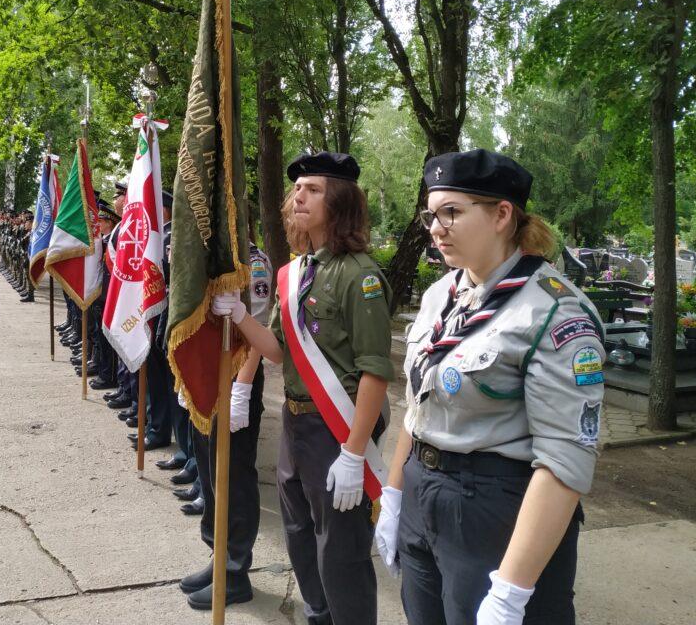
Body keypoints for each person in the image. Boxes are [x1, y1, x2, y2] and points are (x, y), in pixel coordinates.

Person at [374, 149, 606, 625]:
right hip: (424, 490)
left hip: (496, 512)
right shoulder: (443, 294)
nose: (435, 228)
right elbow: (418, 409)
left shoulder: (553, 312)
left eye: (452, 212)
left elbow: (565, 460)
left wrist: (512, 589)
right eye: (431, 215)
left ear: (502, 214)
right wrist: (395, 497)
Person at [212, 151, 394, 625]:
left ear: (341, 202)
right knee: (298, 536)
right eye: (297, 189)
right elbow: (276, 349)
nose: (299, 196)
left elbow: (375, 372)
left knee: (341, 552)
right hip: (297, 424)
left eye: (313, 189)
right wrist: (239, 317)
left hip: (339, 428)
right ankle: (318, 616)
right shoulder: (294, 272)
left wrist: (355, 454)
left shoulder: (361, 275)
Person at [180, 215, 273, 610]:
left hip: (237, 379)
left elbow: (259, 328)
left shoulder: (253, 263)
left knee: (233, 477)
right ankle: (217, 555)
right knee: (210, 471)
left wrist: (242, 388)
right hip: (208, 379)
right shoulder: (206, 262)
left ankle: (235, 570)